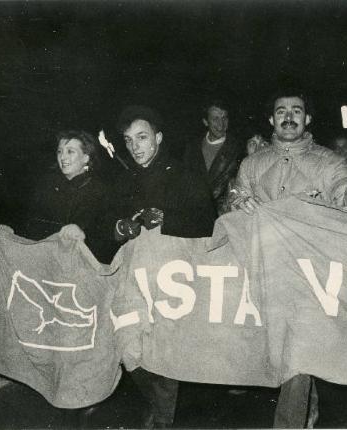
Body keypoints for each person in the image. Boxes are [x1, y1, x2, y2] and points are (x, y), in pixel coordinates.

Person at [228, 89, 347, 428]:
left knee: (296, 352)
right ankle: (307, 407)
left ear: (307, 119)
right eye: (281, 110)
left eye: (296, 111)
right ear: (271, 119)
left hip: (310, 277)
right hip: (266, 271)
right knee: (284, 353)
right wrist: (237, 203)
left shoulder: (328, 162)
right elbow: (234, 206)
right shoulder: (252, 164)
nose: (289, 117)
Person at [111, 105, 216, 428]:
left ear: (158, 137)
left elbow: (208, 222)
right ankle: (159, 407)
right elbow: (106, 225)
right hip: (132, 281)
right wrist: (118, 227)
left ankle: (162, 418)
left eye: (142, 137)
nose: (135, 146)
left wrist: (167, 220)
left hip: (173, 281)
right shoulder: (124, 180)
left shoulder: (183, 173)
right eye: (128, 141)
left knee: (162, 351)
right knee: (128, 349)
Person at [20, 130, 115, 264]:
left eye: (70, 151)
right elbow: (31, 226)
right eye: (59, 151)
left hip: (84, 267)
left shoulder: (101, 192)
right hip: (47, 262)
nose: (62, 157)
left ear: (86, 157)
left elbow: (107, 238)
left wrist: (83, 234)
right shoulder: (46, 187)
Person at [184, 100, 244, 216]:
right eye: (215, 119)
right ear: (205, 122)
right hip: (193, 214)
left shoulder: (239, 149)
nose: (221, 124)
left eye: (224, 118)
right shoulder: (192, 147)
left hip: (223, 216)